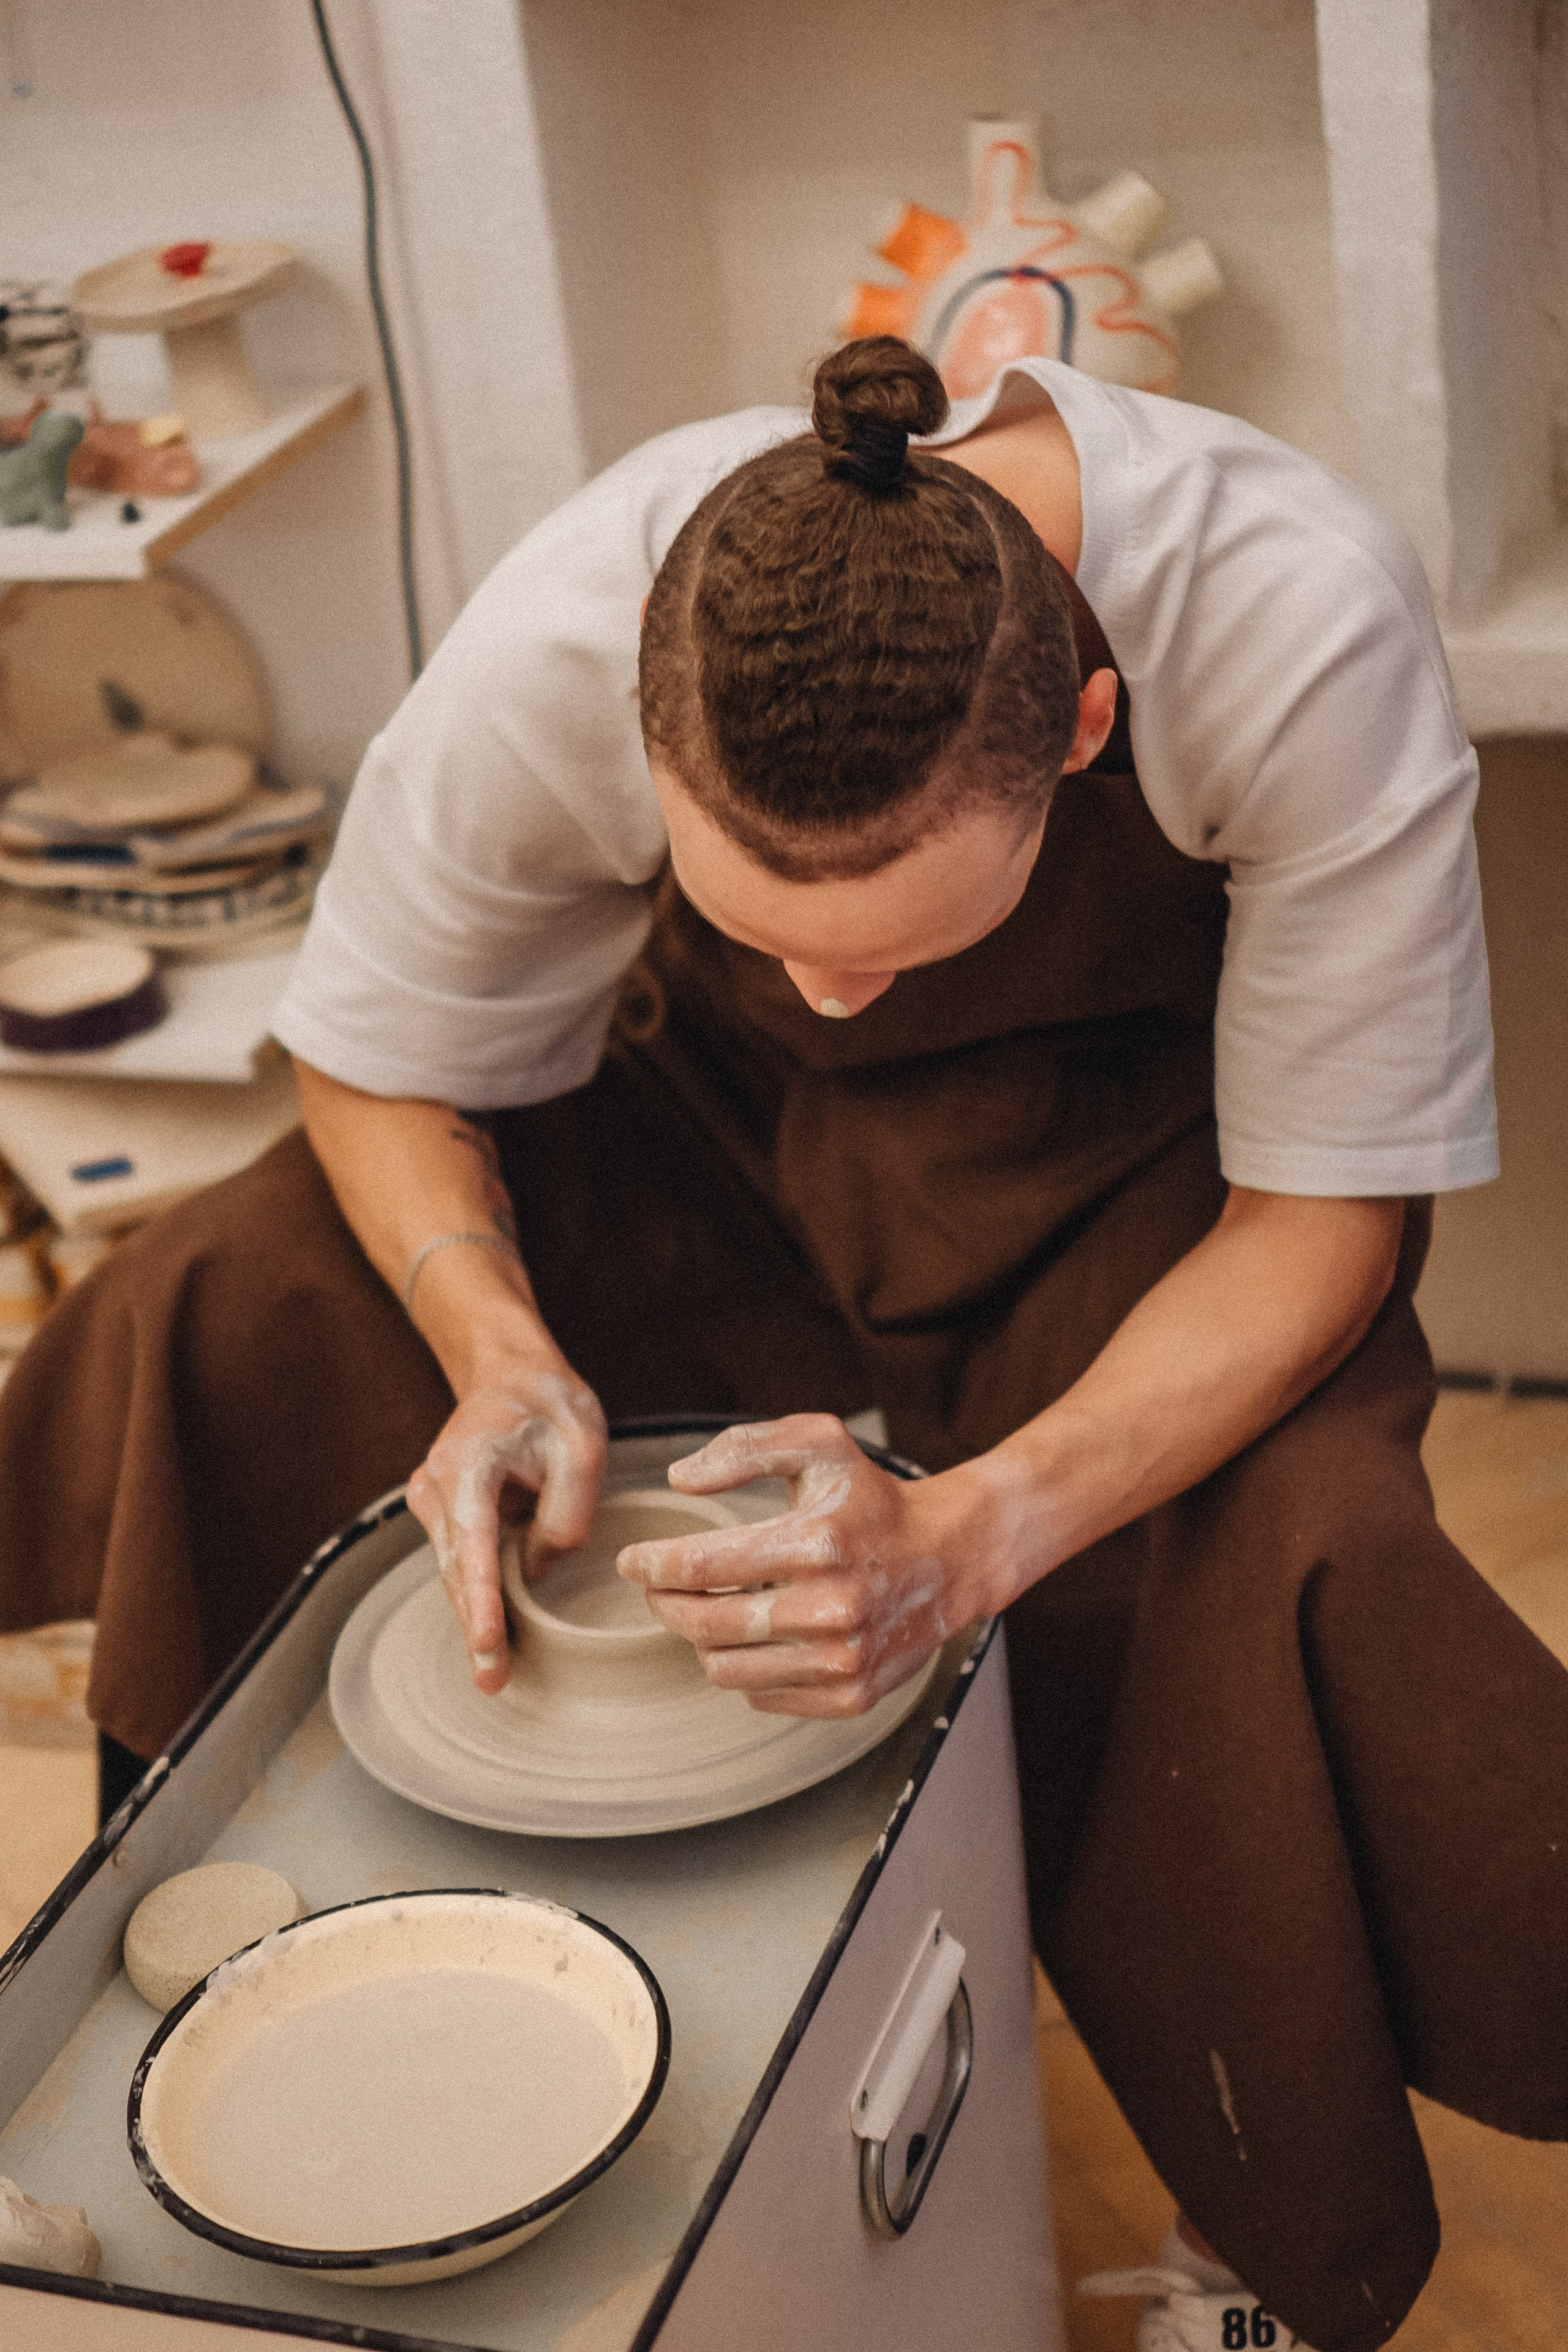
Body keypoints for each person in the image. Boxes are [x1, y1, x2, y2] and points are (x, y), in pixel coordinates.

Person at [3, 338, 1565, 2352]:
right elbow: (378, 1059)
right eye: (765, 913)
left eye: (893, 933)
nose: (832, 986)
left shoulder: (1290, 618)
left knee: (1291, 1536)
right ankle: (253, 1980)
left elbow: (1329, 1210)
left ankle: (1255, 2221)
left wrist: (981, 1529)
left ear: (1087, 728)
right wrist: (499, 1353)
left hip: (1129, 1174)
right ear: (651, 750)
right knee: (240, 1293)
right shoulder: (574, 626)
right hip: (718, 1139)